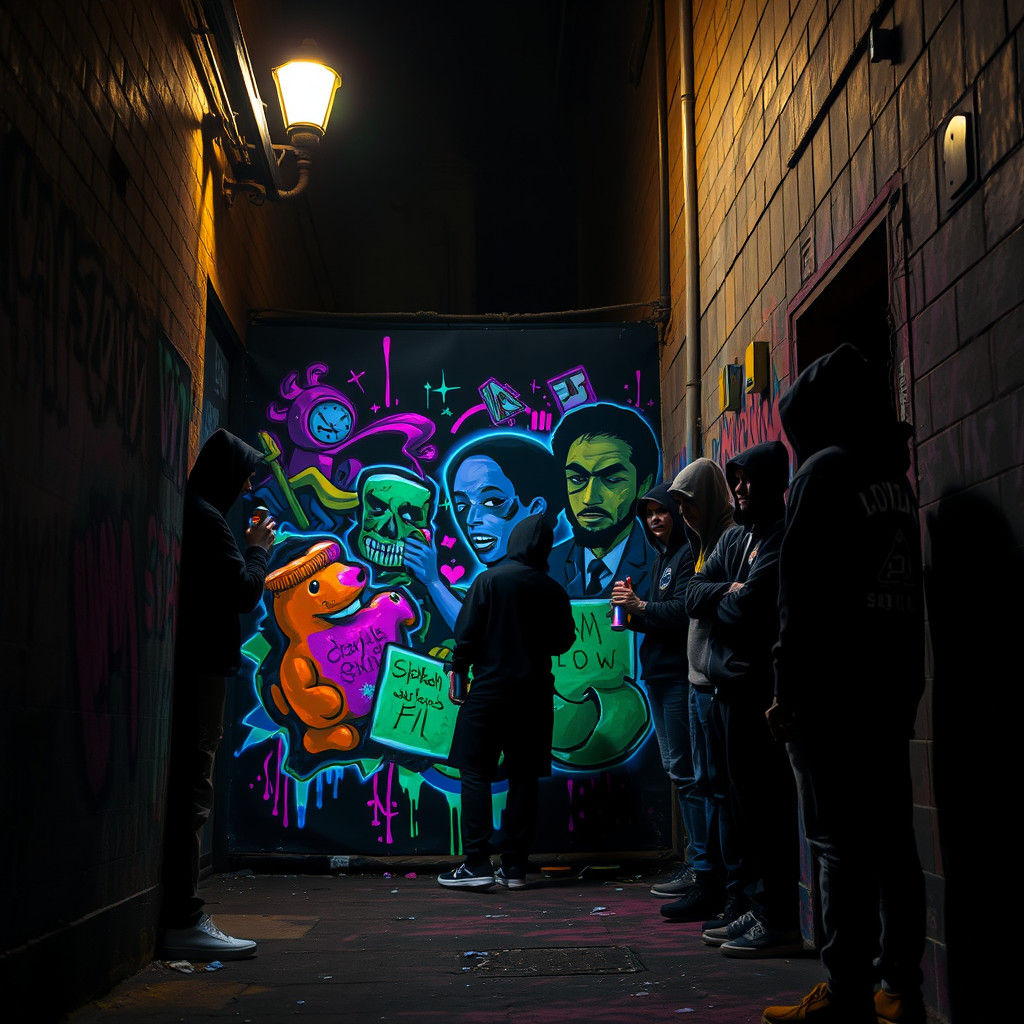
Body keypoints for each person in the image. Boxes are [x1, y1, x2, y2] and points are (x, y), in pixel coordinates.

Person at [762, 345, 925, 1024]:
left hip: (831, 694)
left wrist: (785, 688)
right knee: (893, 843)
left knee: (835, 845)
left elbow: (798, 593)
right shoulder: (893, 479)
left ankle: (844, 992)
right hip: (889, 687)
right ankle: (899, 989)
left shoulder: (822, 473)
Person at [159, 429, 277, 960]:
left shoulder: (196, 512)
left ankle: (182, 914)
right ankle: (184, 918)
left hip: (195, 666)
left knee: (191, 786)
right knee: (194, 788)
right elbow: (244, 591)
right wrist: (257, 552)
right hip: (202, 668)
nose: (249, 486)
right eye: (246, 475)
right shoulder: (208, 520)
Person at [683, 441, 801, 958]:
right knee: (743, 806)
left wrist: (730, 597)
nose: (741, 488)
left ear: (775, 483)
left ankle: (777, 918)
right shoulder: (739, 539)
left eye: (749, 479)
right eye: (736, 480)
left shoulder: (779, 535)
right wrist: (725, 592)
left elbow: (751, 608)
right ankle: (756, 905)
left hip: (758, 692)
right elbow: (693, 594)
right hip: (730, 689)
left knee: (766, 808)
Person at [438, 514, 576, 889]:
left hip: (489, 692)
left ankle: (477, 864)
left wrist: (458, 671)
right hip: (534, 697)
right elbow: (563, 642)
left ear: (514, 541)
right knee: (523, 778)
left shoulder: (489, 580)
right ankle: (514, 868)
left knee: (475, 771)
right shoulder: (553, 589)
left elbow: (465, 636)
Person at [610, 483, 708, 899]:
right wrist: (629, 613)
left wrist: (640, 607)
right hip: (660, 675)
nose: (654, 519)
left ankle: (702, 865)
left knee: (687, 772)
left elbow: (683, 612)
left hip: (678, 676)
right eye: (648, 513)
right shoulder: (662, 558)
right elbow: (656, 618)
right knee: (677, 769)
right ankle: (698, 861)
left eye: (661, 511)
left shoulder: (687, 555)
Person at [658, 457, 738, 922]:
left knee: (715, 788)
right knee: (706, 784)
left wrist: (706, 592)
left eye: (688, 503)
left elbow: (695, 599)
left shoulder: (726, 539)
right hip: (697, 680)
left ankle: (719, 886)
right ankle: (709, 880)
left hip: (715, 683)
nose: (682, 513)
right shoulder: (700, 543)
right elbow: (694, 597)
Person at [403, 433, 564, 631]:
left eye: (492, 502)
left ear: (536, 507)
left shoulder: (556, 576)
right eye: (462, 505)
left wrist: (434, 582)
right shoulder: (488, 585)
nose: (472, 520)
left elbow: (482, 636)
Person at [549, 402, 660, 598]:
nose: (589, 498)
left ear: (643, 484)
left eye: (612, 479)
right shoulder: (548, 566)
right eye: (577, 479)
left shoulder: (659, 566)